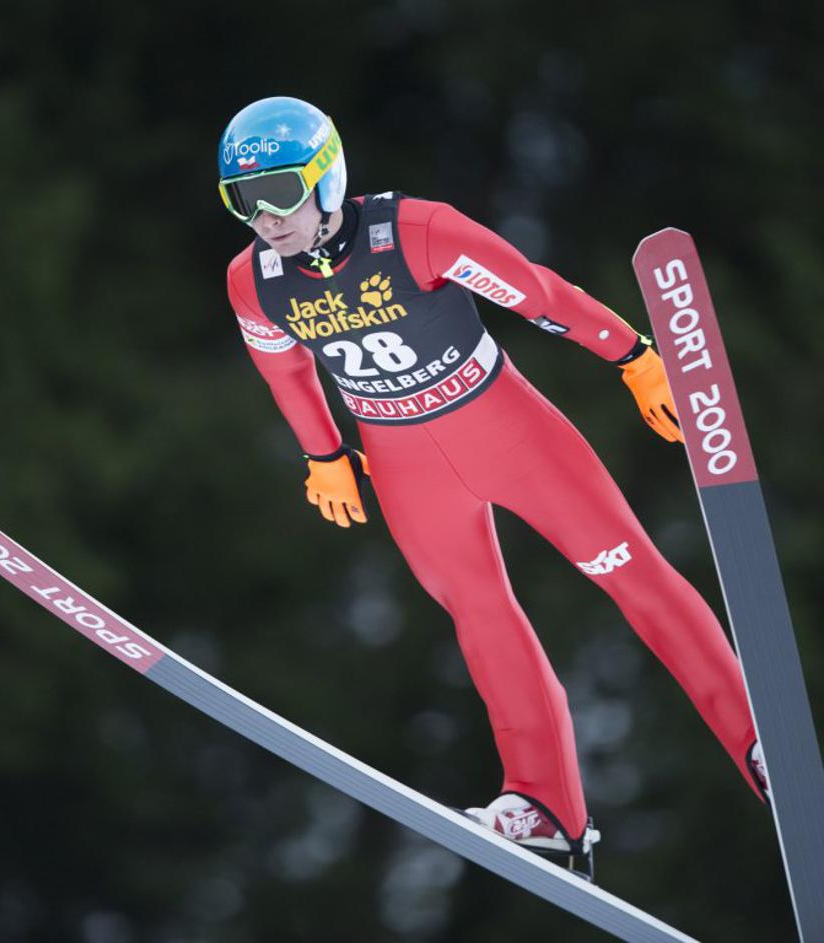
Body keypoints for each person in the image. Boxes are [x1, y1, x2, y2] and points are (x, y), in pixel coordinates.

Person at [218, 96, 767, 875]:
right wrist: (325, 454)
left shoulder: (416, 230)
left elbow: (536, 294)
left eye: (280, 191)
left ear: (326, 178)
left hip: (508, 432)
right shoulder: (255, 280)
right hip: (405, 463)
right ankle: (546, 807)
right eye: (243, 199)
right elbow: (285, 370)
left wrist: (632, 355)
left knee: (631, 574)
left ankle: (756, 738)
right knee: (479, 617)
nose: (265, 217)